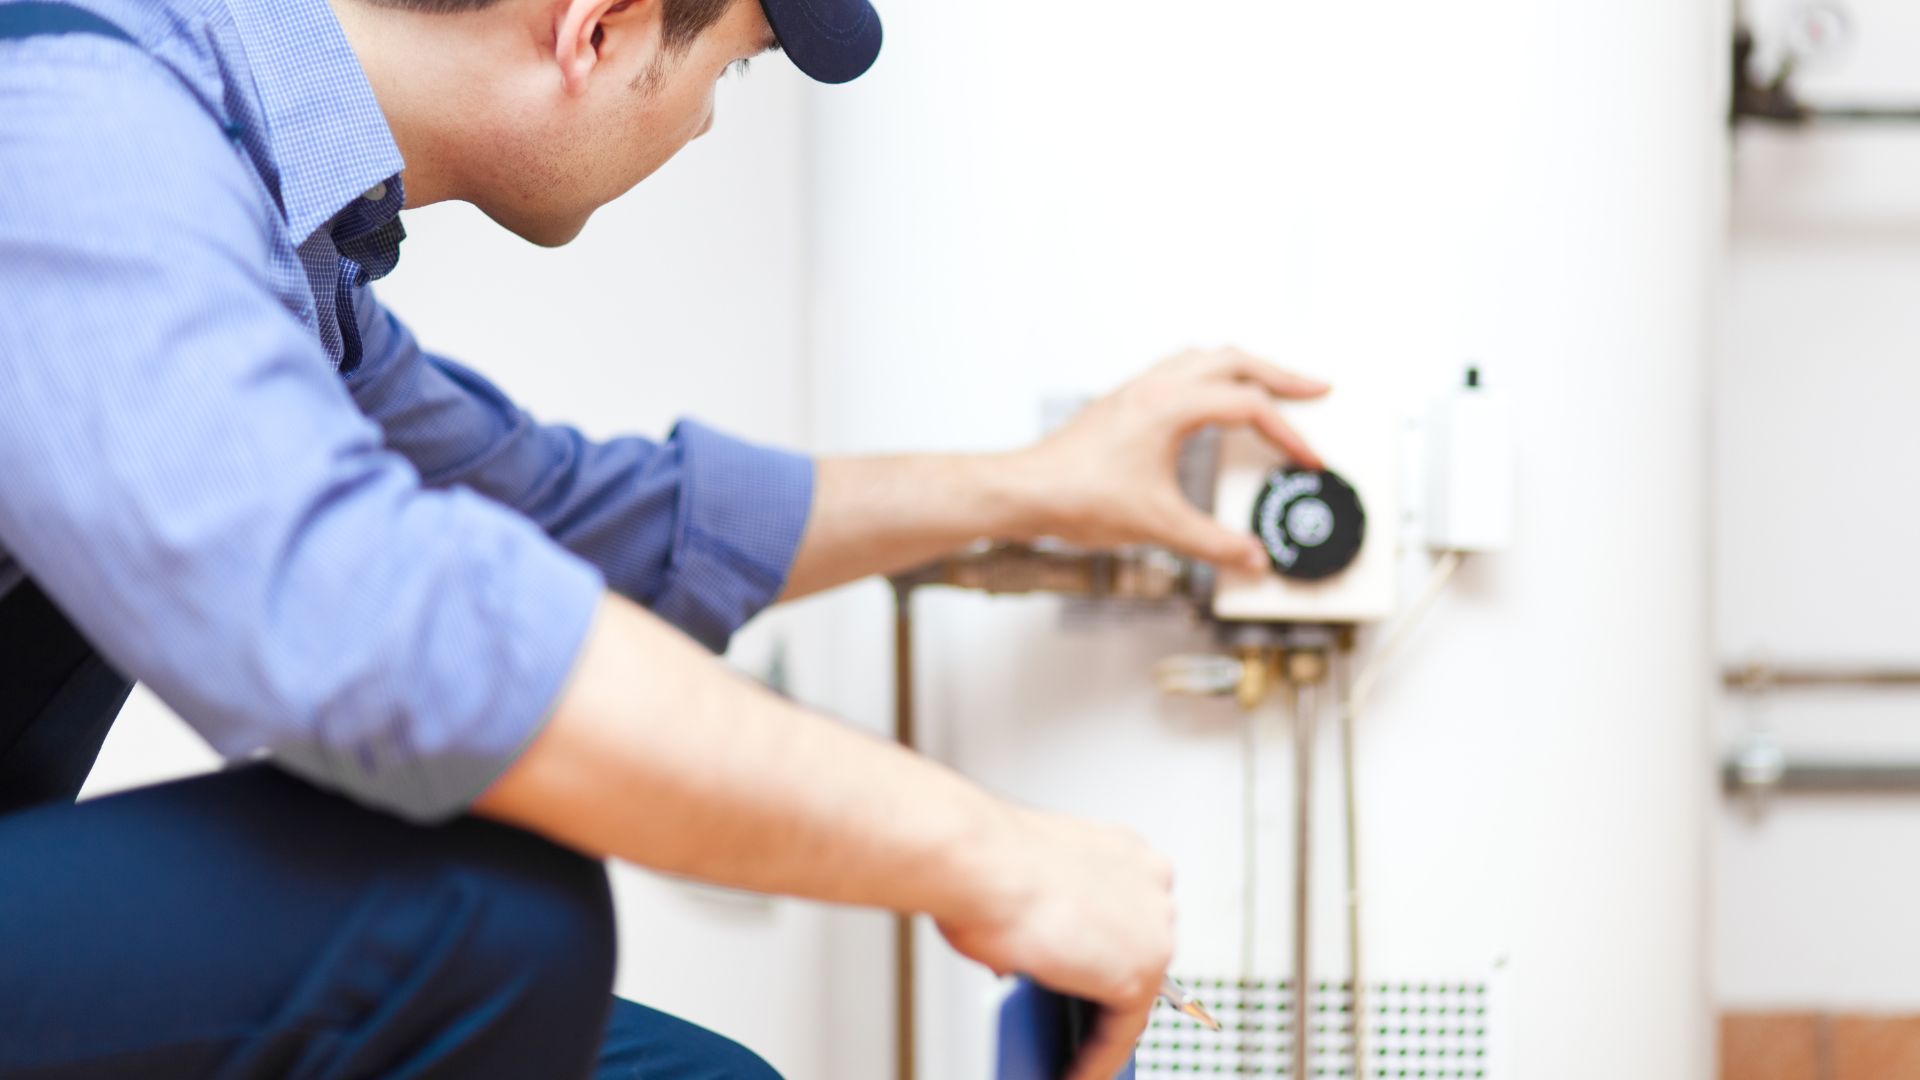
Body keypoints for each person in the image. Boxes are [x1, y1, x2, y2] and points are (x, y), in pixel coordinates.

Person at [0, 0, 1330, 1075]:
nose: (702, 126)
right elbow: (376, 629)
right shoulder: (74, 123)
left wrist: (1039, 485)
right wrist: (992, 853)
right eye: (734, 74)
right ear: (596, 31)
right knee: (475, 909)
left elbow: (576, 522)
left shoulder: (266, 222)